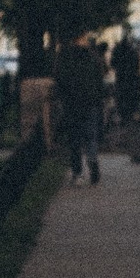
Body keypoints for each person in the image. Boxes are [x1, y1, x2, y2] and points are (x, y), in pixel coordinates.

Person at [54, 38, 105, 184]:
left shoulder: (66, 60)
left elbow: (60, 80)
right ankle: (92, 161)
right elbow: (99, 81)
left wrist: (63, 98)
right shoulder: (94, 58)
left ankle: (77, 173)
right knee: (91, 136)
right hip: (91, 103)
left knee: (74, 139)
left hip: (72, 105)